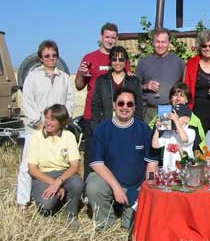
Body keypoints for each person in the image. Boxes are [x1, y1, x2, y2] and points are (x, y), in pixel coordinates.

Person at [86, 87, 158, 231]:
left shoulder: (144, 130)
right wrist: (116, 187)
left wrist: (149, 185)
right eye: (121, 103)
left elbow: (152, 162)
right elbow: (97, 164)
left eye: (129, 104)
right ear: (114, 105)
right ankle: (106, 222)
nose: (125, 107)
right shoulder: (102, 129)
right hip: (110, 182)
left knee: (132, 226)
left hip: (136, 186)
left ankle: (128, 211)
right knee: (94, 185)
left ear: (135, 107)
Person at [17, 40, 75, 209]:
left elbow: (70, 101)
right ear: (41, 58)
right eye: (47, 56)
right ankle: (22, 201)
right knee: (28, 163)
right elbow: (27, 101)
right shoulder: (33, 77)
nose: (51, 58)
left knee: (58, 161)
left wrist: (62, 120)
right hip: (36, 127)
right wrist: (41, 123)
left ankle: (60, 195)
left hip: (58, 129)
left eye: (54, 55)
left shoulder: (64, 78)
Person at [75, 22, 127, 180]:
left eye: (113, 37)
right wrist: (82, 75)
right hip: (93, 115)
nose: (110, 40)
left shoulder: (121, 58)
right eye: (107, 37)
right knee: (92, 153)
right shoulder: (90, 58)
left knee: (115, 153)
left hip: (117, 115)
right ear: (101, 37)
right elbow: (78, 86)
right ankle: (88, 190)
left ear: (117, 39)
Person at [27, 104, 84, 229]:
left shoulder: (69, 136)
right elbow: (32, 169)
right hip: (43, 175)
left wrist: (59, 182)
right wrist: (54, 184)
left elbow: (75, 166)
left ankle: (72, 215)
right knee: (46, 205)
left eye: (52, 120)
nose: (48, 122)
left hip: (64, 173)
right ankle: (59, 200)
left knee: (77, 183)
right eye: (46, 118)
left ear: (62, 122)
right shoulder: (35, 137)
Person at [135, 28, 185, 124]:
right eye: (157, 42)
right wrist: (146, 86)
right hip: (149, 111)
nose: (160, 45)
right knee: (148, 138)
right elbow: (135, 86)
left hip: (167, 110)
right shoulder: (143, 62)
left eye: (163, 42)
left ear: (169, 42)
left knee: (164, 138)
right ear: (153, 43)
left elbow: (184, 86)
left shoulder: (178, 62)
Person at [92, 46, 143, 129]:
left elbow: (138, 106)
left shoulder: (133, 81)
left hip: (129, 124)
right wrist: (96, 126)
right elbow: (96, 106)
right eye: (114, 59)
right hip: (107, 124)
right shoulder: (102, 80)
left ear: (126, 61)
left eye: (121, 59)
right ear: (110, 61)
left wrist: (138, 127)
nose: (117, 62)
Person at [152, 104, 195, 171]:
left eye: (178, 117)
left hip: (185, 170)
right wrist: (157, 130)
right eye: (171, 117)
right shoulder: (168, 132)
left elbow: (185, 139)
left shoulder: (190, 131)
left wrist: (176, 121)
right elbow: (155, 145)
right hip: (169, 171)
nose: (173, 119)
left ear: (187, 119)